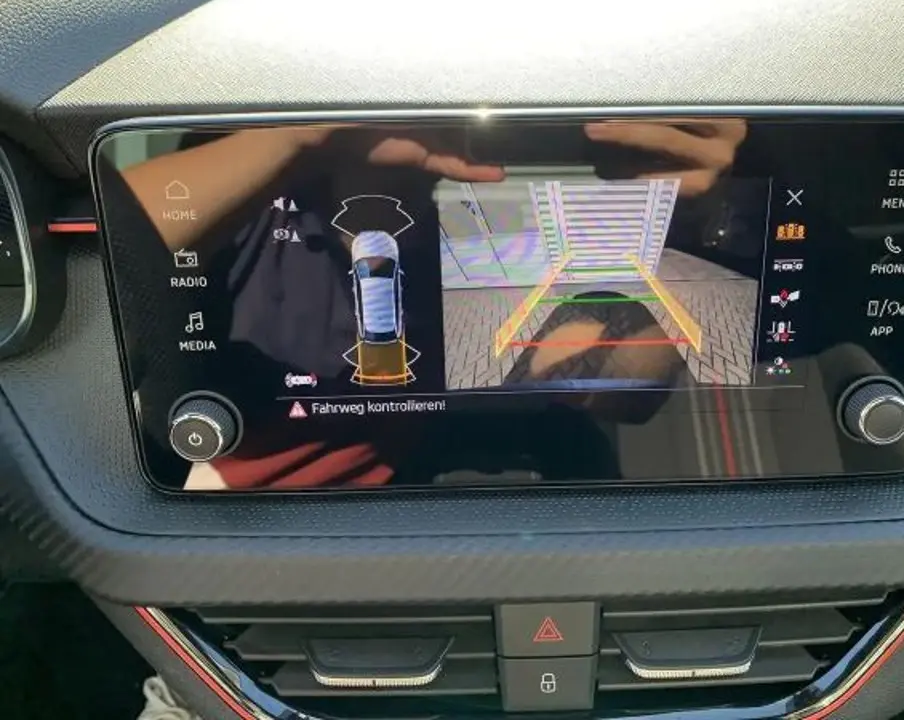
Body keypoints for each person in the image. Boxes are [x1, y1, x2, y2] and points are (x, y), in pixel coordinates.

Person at [104, 118, 749, 489]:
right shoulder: (247, 220)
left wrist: (692, 210)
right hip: (199, 509)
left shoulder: (483, 259)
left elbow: (625, 386)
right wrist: (300, 132)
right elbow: (95, 262)